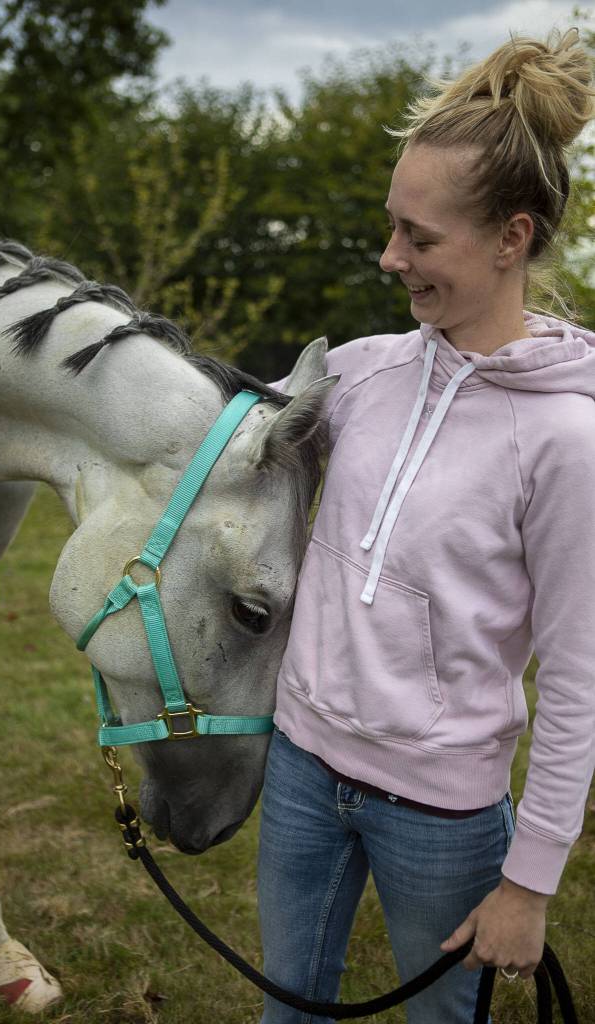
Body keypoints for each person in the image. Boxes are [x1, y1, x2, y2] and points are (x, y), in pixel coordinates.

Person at [258, 28, 595, 1024]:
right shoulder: (360, 370)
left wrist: (528, 881)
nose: (387, 255)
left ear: (510, 238)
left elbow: (578, 677)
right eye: (390, 226)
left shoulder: (566, 441)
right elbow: (216, 429)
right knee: (286, 1012)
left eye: (418, 237)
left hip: (441, 817)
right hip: (299, 773)